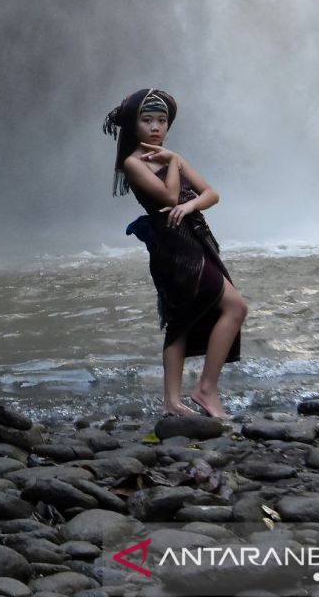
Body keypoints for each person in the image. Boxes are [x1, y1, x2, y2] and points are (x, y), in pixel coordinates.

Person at [103, 89, 246, 419]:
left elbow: (211, 193)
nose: (155, 127)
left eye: (162, 120)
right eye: (147, 119)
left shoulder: (170, 157)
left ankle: (178, 399)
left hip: (195, 239)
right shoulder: (133, 163)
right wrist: (173, 163)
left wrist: (192, 202)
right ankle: (202, 391)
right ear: (134, 124)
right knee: (224, 309)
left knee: (187, 318)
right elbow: (168, 196)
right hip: (171, 247)